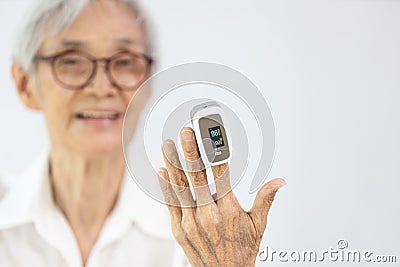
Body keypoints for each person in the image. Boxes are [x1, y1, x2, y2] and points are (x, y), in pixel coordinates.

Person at [0, 0, 286, 266]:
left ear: (147, 83)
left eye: (124, 62)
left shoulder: (209, 235)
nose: (101, 88)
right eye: (72, 61)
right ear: (26, 85)